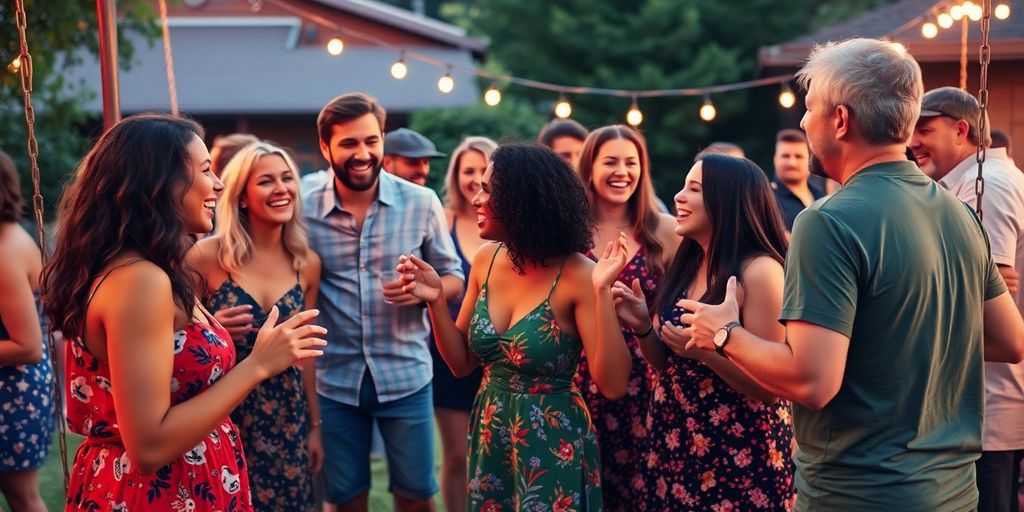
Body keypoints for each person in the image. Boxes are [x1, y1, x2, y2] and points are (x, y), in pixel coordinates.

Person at [678, 38, 1024, 510]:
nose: (802, 122)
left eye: (809, 108)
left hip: (859, 494)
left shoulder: (827, 221)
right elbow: (1009, 340)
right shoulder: (959, 212)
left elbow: (811, 381)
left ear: (840, 120)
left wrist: (723, 333)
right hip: (953, 492)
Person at [42, 113, 327, 511]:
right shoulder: (139, 281)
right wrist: (258, 364)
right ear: (161, 183)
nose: (219, 183)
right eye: (207, 170)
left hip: (192, 485)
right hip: (159, 494)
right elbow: (149, 445)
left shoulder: (155, 270)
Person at [397, 143, 633, 511]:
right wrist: (436, 302)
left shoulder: (580, 274)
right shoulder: (486, 260)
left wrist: (602, 292)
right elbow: (461, 363)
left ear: (522, 201)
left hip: (552, 440)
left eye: (488, 189)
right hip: (492, 429)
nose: (476, 198)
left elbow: (614, 384)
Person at [303, 93, 464, 512]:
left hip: (406, 373)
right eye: (349, 144)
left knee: (416, 497)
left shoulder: (421, 202)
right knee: (345, 500)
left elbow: (454, 278)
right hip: (334, 381)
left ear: (383, 141)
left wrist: (425, 291)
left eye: (371, 142)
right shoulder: (303, 207)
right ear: (326, 147)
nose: (363, 154)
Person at [613, 153, 796, 509]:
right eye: (683, 186)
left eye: (693, 189)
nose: (679, 197)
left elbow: (772, 389)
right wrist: (642, 329)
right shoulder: (690, 259)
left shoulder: (759, 272)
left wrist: (705, 352)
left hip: (738, 451)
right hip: (675, 440)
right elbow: (669, 364)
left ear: (727, 201)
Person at [189, 141, 324, 511]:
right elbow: (177, 340)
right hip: (224, 413)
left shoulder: (306, 263)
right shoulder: (204, 258)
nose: (281, 189)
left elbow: (307, 357)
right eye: (266, 181)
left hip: (287, 417)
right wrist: (213, 330)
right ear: (243, 197)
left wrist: (314, 427)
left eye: (287, 179)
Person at [910, 86, 1024, 512]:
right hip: (984, 400)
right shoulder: (983, 179)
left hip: (990, 405)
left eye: (925, 129)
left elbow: (997, 285)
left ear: (962, 130)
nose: (912, 142)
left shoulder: (986, 184)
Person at [572, 125, 678, 510]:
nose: (622, 171)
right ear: (590, 167)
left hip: (647, 383)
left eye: (631, 162)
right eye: (611, 161)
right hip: (579, 378)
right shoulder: (568, 231)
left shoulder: (665, 230)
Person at [435, 135, 497, 512]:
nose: (475, 179)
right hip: (452, 346)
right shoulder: (443, 219)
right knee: (457, 455)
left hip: (501, 349)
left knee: (491, 455)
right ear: (455, 176)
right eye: (467, 171)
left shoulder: (508, 229)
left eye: (482, 171)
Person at [0, 149, 53, 512]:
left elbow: (27, 345)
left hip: (13, 393)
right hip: (18, 388)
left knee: (22, 497)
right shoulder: (13, 236)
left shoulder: (5, 250)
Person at [770, 129, 828, 231]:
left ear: (810, 160)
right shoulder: (767, 198)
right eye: (785, 156)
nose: (792, 163)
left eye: (798, 156)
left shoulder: (822, 198)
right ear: (775, 159)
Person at [382, 128, 447, 187]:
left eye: (426, 162)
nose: (423, 170)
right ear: (387, 162)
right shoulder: (373, 198)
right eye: (413, 162)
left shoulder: (428, 198)